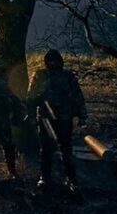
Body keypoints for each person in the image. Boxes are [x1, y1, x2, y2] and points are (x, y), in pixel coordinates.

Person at [27, 49, 87, 192]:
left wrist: (82, 116)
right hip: (46, 118)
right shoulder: (40, 75)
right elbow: (31, 97)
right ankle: (45, 177)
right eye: (50, 61)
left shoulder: (68, 76)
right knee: (46, 149)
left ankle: (71, 178)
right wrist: (31, 115)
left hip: (64, 117)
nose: (53, 63)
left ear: (60, 62)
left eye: (55, 61)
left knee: (66, 148)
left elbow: (77, 96)